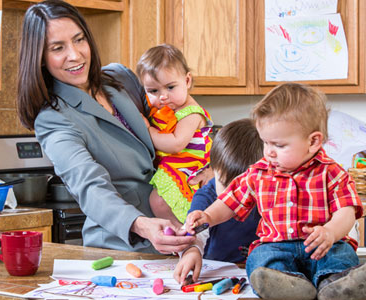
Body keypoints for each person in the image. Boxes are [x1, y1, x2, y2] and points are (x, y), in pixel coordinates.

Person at [16, 0, 205, 254]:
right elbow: (90, 188)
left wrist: (210, 167)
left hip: (178, 231)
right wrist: (140, 224)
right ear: (40, 58)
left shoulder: (120, 78)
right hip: (123, 248)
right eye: (58, 48)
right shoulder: (54, 119)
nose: (75, 54)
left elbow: (177, 114)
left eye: (79, 39)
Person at [185, 83, 365, 300]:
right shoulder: (258, 172)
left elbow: (346, 211)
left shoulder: (332, 173)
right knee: (260, 257)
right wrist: (209, 216)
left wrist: (331, 232)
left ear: (313, 141)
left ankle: (335, 285)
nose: (268, 152)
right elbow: (230, 201)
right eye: (265, 142)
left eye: (278, 145)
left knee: (341, 254)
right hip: (277, 247)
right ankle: (289, 287)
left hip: (321, 246)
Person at [173, 118, 263, 284]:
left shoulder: (266, 195)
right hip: (216, 272)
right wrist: (192, 251)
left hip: (256, 274)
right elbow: (194, 231)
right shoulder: (205, 197)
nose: (234, 196)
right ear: (212, 169)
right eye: (225, 185)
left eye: (245, 189)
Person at [136, 44, 213, 226]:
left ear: (187, 81)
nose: (163, 96)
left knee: (158, 200)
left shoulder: (191, 112)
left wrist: (148, 130)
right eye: (153, 91)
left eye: (170, 87)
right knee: (157, 201)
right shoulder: (163, 110)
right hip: (173, 167)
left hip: (189, 168)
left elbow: (176, 144)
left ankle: (182, 232)